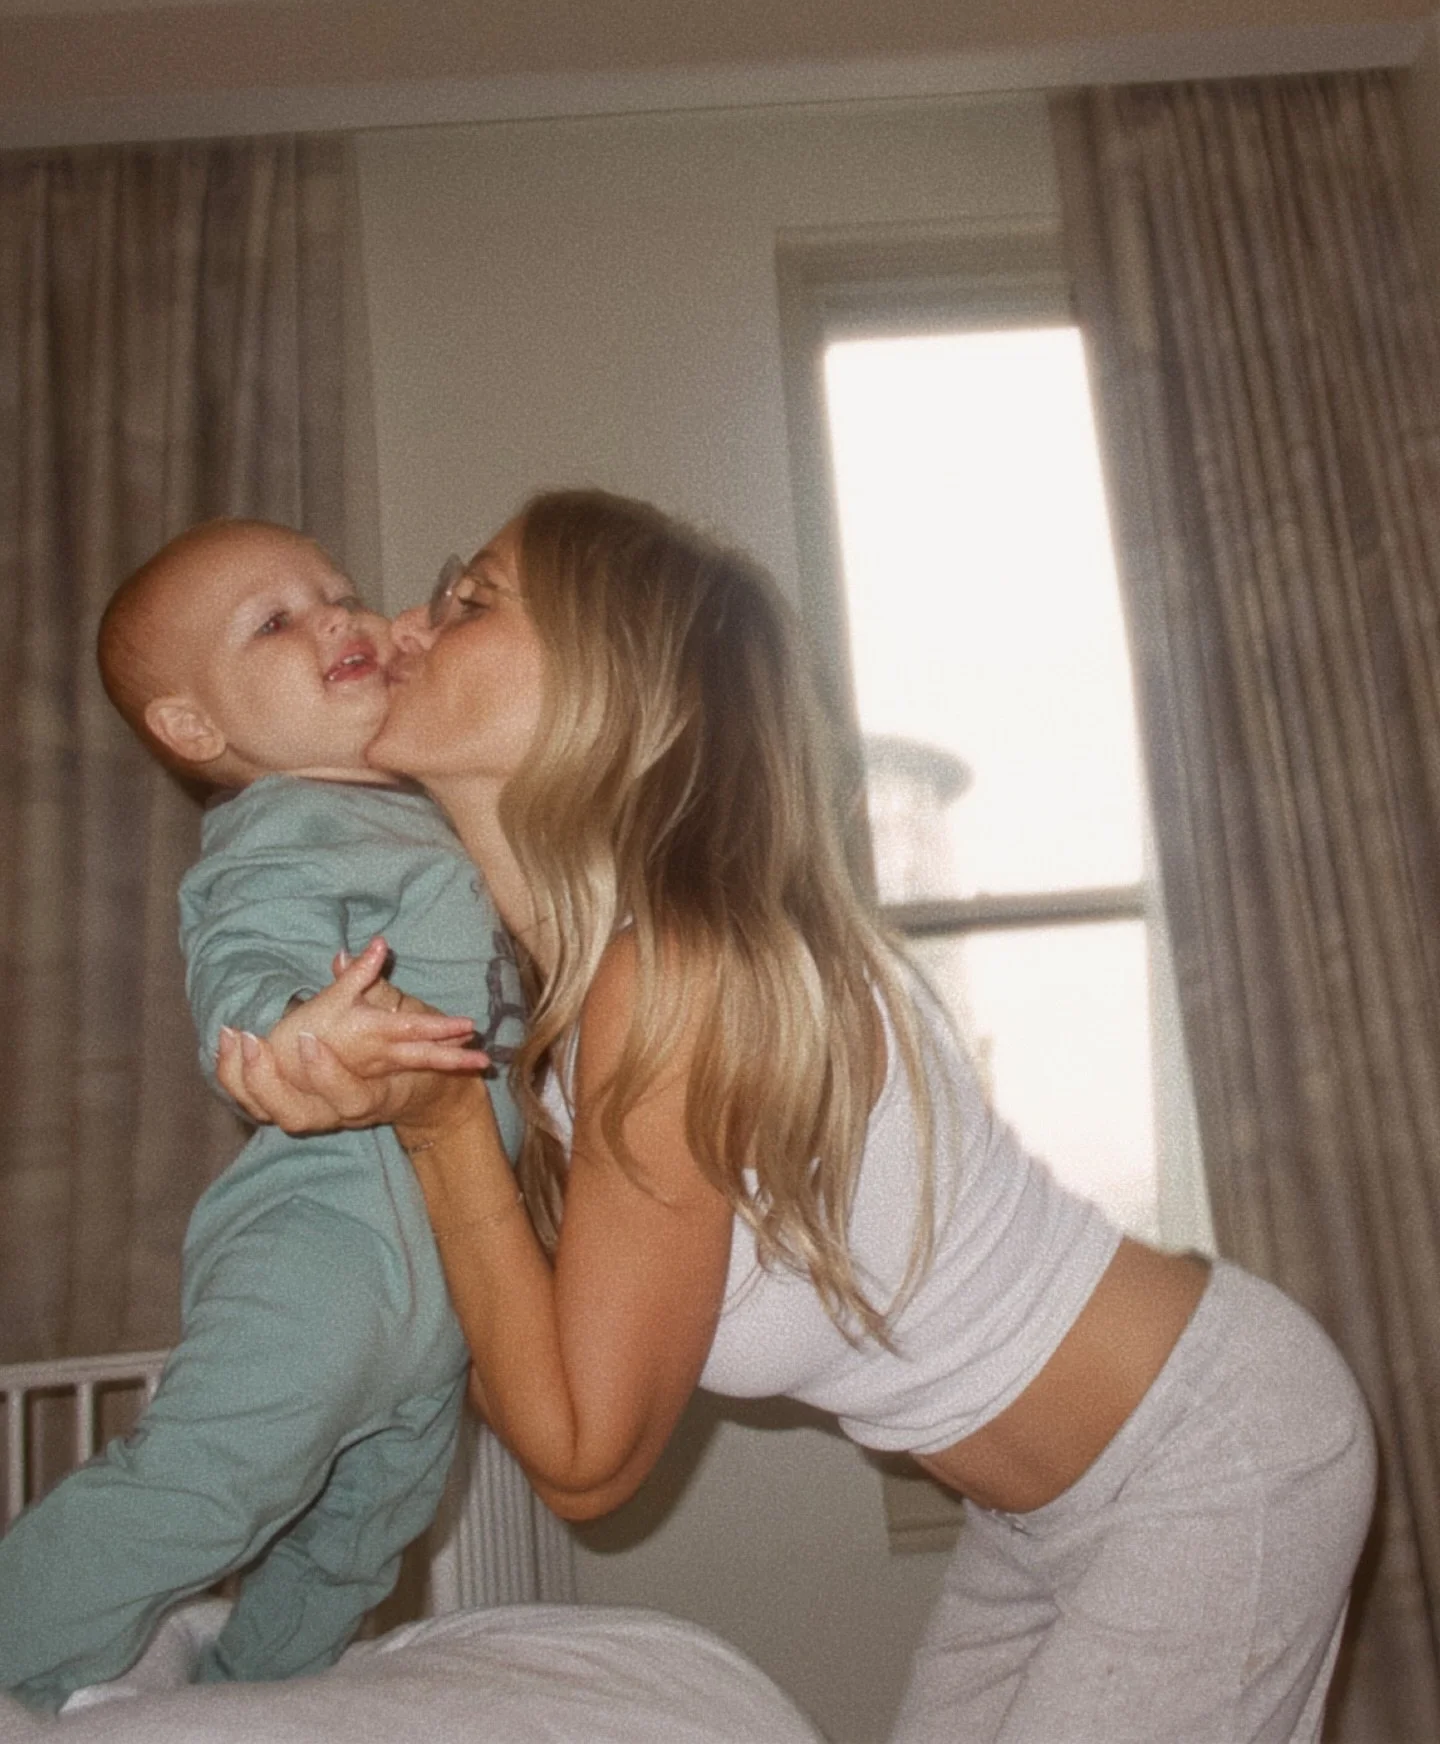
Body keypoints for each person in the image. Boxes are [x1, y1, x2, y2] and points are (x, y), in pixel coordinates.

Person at [218, 490, 1377, 1744]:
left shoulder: (677, 975)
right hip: (1045, 1512)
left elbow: (582, 1455)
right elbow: (526, 1350)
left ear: (614, 686)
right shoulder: (566, 1000)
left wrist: (438, 1131)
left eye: (471, 597)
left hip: (1207, 1457)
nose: (400, 622)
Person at [0, 520, 527, 1714]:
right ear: (195, 730)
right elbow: (238, 954)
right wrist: (287, 1029)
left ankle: (248, 1691)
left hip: (445, 1268)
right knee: (204, 1484)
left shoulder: (430, 811)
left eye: (339, 593)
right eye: (278, 622)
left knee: (367, 1533)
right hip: (323, 1243)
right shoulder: (279, 827)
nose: (338, 618)